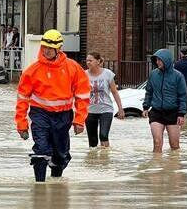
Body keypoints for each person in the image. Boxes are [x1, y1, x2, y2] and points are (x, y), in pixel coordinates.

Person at [15, 29, 91, 182]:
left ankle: (56, 181)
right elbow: (22, 99)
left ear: (59, 48)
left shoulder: (73, 68)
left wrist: (79, 120)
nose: (47, 51)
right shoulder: (32, 71)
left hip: (63, 116)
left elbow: (83, 96)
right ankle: (40, 188)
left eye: (50, 48)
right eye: (44, 47)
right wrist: (21, 124)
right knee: (41, 151)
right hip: (40, 114)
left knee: (60, 155)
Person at [142, 49, 187, 153]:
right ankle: (157, 167)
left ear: (167, 60)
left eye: (160, 60)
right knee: (157, 142)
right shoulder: (153, 74)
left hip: (173, 113)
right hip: (156, 112)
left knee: (174, 145)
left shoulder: (178, 76)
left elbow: (183, 96)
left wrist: (181, 114)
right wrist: (145, 107)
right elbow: (149, 92)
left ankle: (173, 167)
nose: (157, 62)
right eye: (156, 60)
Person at [85, 52, 125, 148]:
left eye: (90, 60)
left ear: (98, 61)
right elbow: (80, 93)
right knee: (92, 141)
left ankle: (105, 159)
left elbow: (114, 92)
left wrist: (120, 109)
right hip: (90, 110)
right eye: (87, 60)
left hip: (106, 109)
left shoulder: (107, 74)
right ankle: (94, 162)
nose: (88, 62)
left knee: (103, 135)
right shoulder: (84, 74)